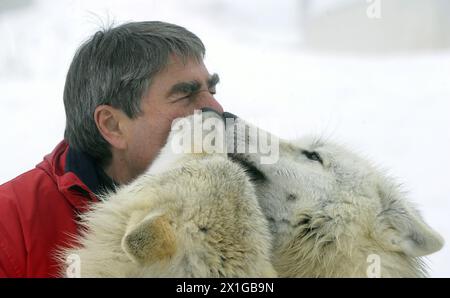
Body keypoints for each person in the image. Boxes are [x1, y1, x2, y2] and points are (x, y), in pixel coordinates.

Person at [0, 21, 224, 277]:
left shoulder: (240, 201)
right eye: (186, 94)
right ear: (112, 125)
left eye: (212, 89)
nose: (216, 108)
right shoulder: (10, 225)